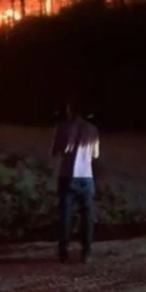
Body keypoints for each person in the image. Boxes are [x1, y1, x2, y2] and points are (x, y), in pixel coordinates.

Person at [51, 100, 100, 264]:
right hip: (86, 177)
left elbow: (56, 151)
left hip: (67, 175)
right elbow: (95, 155)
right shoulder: (92, 129)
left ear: (69, 110)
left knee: (65, 214)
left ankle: (63, 251)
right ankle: (86, 252)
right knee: (87, 215)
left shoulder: (62, 127)